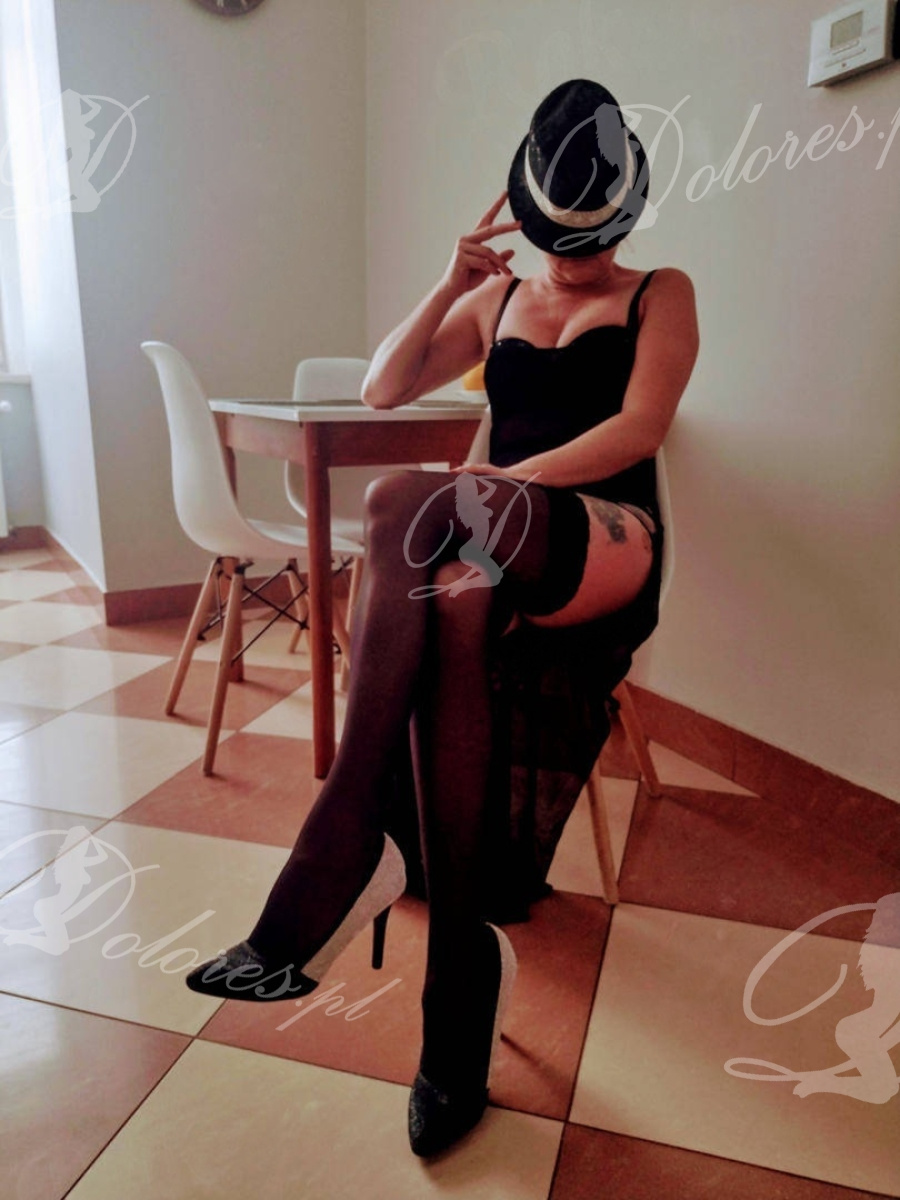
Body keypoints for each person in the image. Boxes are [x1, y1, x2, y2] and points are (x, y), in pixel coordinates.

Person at [186, 78, 700, 1157]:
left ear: (629, 218)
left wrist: (496, 491)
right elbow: (382, 391)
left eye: (598, 238)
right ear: (523, 212)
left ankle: (342, 839)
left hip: (606, 538)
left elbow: (640, 430)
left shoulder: (662, 293)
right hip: (487, 545)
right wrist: (448, 282)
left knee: (408, 503)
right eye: (560, 239)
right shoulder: (496, 299)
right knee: (447, 594)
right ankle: (457, 985)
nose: (578, 260)